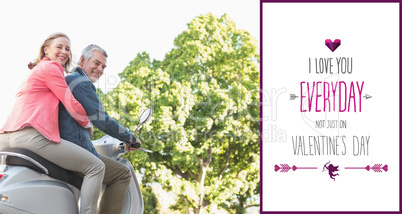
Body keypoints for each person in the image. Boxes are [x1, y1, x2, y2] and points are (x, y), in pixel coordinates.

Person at [0, 33, 105, 214]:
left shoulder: (34, 71)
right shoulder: (52, 67)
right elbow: (71, 104)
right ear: (46, 49)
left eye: (67, 49)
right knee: (96, 167)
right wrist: (88, 124)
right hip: (30, 136)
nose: (64, 51)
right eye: (59, 47)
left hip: (6, 137)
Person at [58, 44, 141, 214]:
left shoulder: (70, 80)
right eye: (96, 63)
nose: (100, 69)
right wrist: (130, 138)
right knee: (122, 173)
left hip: (67, 145)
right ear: (82, 59)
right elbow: (101, 120)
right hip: (75, 148)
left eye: (103, 66)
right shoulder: (80, 83)